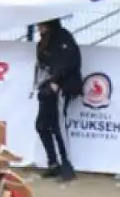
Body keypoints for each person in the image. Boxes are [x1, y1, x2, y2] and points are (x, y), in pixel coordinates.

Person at [32, 18, 82, 183]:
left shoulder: (63, 38)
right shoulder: (44, 41)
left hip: (61, 88)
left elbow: (68, 63)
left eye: (41, 23)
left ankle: (66, 166)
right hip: (47, 88)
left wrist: (56, 82)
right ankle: (53, 163)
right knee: (41, 125)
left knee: (58, 126)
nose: (38, 27)